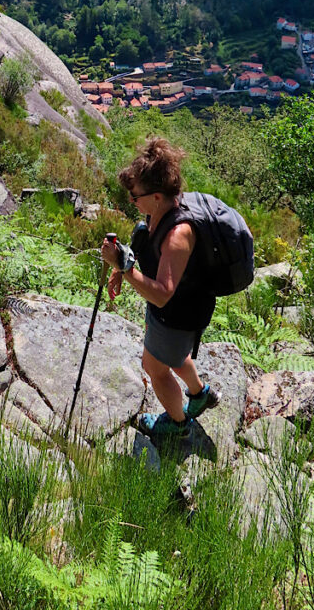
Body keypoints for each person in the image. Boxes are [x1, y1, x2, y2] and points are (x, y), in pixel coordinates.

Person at [101, 137, 220, 440]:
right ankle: (199, 393)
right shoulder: (163, 207)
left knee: (155, 368)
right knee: (176, 355)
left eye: (135, 196)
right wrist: (122, 268)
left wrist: (125, 270)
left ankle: (178, 425)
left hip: (177, 314)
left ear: (156, 196)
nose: (132, 201)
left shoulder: (179, 235)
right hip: (184, 309)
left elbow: (163, 294)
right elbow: (149, 244)